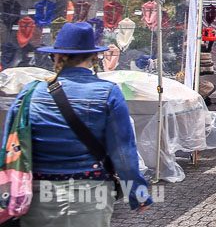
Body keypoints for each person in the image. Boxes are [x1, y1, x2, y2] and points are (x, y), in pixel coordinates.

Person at [3, 22, 151, 225]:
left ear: (55, 56)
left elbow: (10, 144)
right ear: (94, 57)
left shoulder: (30, 93)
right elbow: (123, 151)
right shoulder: (108, 92)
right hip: (90, 196)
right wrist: (138, 193)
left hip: (36, 196)